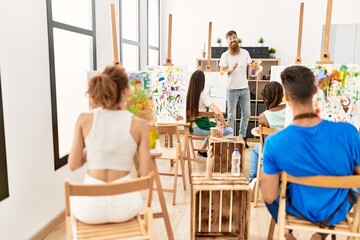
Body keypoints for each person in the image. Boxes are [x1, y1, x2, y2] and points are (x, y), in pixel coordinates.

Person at [261, 65, 360, 240]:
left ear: (287, 97)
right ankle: (321, 235)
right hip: (336, 212)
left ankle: (289, 236)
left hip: (296, 210)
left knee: (268, 188)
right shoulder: (349, 133)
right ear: (315, 90)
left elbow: (269, 196)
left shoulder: (274, 143)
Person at [68, 65, 152, 224]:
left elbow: (73, 164)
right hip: (125, 207)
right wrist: (130, 150)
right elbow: (145, 170)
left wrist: (94, 151)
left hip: (90, 208)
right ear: (126, 91)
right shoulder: (139, 125)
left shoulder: (84, 119)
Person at [186, 70, 233, 157]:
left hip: (191, 128)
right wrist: (225, 123)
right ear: (202, 82)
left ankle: (202, 150)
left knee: (213, 129)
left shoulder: (188, 94)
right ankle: (222, 154)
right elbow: (218, 113)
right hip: (201, 128)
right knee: (229, 130)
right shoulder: (203, 95)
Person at [219, 30, 252, 148]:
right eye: (230, 39)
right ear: (227, 42)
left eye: (234, 37)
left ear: (237, 38)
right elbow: (221, 72)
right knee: (231, 116)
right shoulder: (225, 55)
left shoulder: (245, 53)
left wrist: (256, 69)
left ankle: (242, 137)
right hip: (231, 89)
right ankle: (231, 138)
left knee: (247, 114)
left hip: (245, 89)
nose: (232, 40)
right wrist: (231, 69)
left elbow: (251, 68)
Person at [249, 81, 286, 185]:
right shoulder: (291, 110)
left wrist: (261, 131)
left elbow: (265, 143)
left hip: (273, 153)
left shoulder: (263, 116)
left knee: (256, 148)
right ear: (281, 95)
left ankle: (253, 180)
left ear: (265, 98)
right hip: (290, 152)